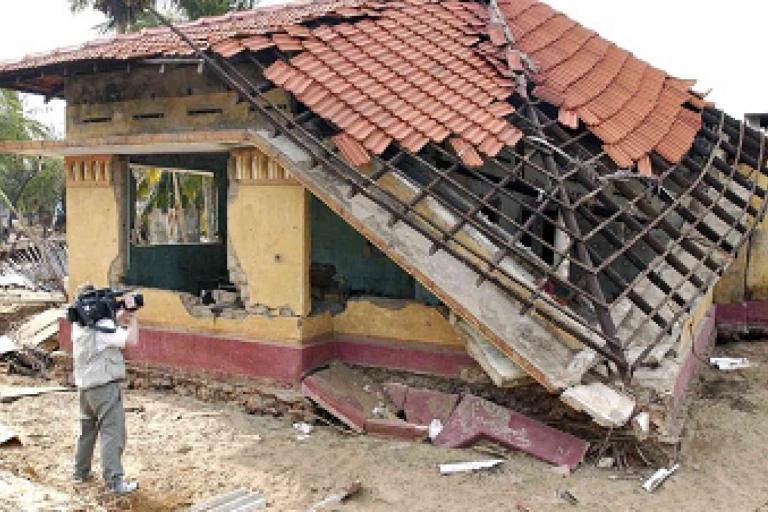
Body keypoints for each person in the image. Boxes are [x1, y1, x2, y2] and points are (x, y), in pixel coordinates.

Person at [71, 290, 139, 495]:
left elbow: (105, 329)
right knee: (112, 433)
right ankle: (114, 482)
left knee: (87, 432)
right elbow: (130, 341)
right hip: (104, 388)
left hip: (85, 387)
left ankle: (80, 473)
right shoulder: (104, 329)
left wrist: (119, 316)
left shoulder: (79, 325)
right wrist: (134, 318)